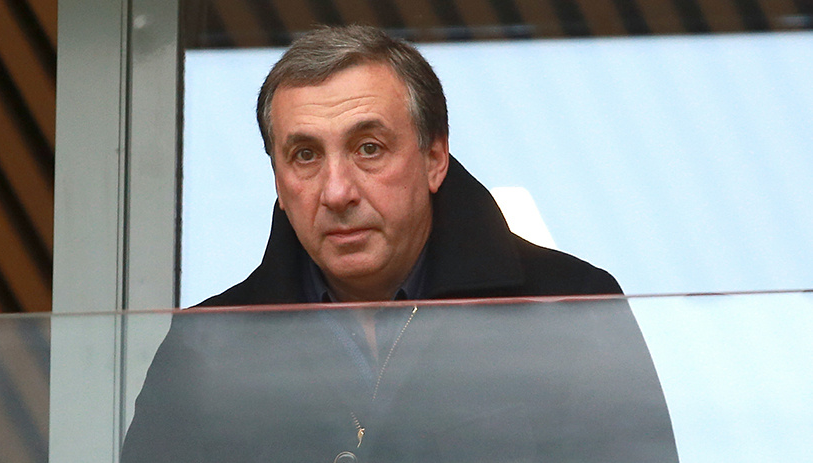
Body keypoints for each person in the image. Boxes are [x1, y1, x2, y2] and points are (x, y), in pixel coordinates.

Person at [122, 25, 678, 462]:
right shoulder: (208, 347)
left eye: (368, 148)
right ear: (278, 181)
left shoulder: (568, 307)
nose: (337, 191)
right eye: (305, 156)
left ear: (434, 158)